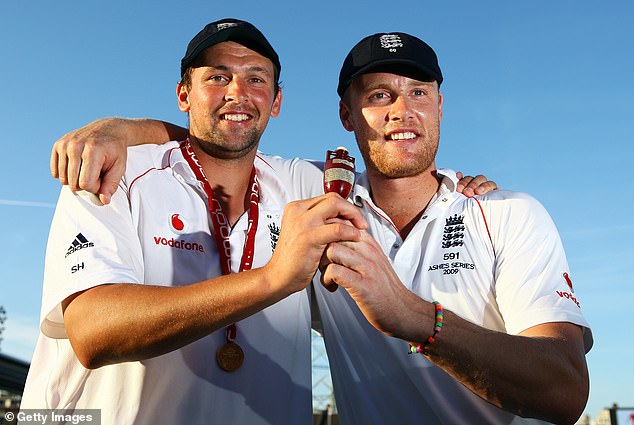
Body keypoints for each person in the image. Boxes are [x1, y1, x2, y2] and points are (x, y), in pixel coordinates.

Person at [20, 18, 369, 425]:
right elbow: (93, 330)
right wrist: (272, 278)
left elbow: (399, 186)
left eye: (256, 80)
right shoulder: (114, 168)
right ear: (184, 95)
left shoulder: (300, 182)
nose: (237, 93)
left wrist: (457, 184)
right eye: (218, 77)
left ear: (276, 102)